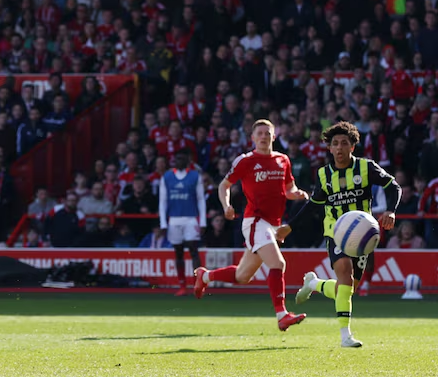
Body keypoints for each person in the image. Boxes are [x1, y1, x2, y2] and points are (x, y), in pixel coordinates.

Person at [193, 119, 309, 331]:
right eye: (260, 133)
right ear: (253, 138)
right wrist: (226, 205)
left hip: (273, 225)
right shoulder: (246, 161)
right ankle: (282, 315)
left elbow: (289, 189)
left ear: (274, 136)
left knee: (242, 276)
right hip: (255, 221)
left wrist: (298, 194)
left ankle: (205, 275)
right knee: (278, 264)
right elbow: (224, 185)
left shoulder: (283, 160)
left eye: (268, 133)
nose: (264, 136)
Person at [290, 122, 398, 348]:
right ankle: (345, 336)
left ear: (353, 147)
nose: (339, 148)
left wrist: (390, 210)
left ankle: (314, 284)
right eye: (335, 144)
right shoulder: (324, 174)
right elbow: (313, 205)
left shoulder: (367, 168)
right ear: (329, 148)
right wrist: (289, 226)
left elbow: (393, 186)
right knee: (346, 276)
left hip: (363, 234)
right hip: (336, 231)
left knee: (347, 288)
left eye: (344, 143)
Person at [159, 149, 206, 296]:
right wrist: (163, 224)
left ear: (187, 161)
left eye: (182, 159)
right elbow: (163, 202)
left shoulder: (194, 176)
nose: (178, 161)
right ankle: (182, 285)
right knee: (178, 253)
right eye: (176, 158)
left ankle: (198, 284)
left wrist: (202, 221)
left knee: (193, 251)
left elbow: (200, 199)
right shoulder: (167, 177)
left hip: (191, 218)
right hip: (174, 219)